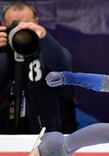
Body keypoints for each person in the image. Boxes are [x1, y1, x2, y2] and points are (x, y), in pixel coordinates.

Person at [0, 0, 77, 134]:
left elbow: (64, 67)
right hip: (5, 134)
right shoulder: (2, 52)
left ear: (36, 22)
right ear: (3, 26)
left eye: (26, 24)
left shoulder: (49, 51)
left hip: (48, 133)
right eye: (14, 25)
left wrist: (45, 38)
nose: (20, 30)